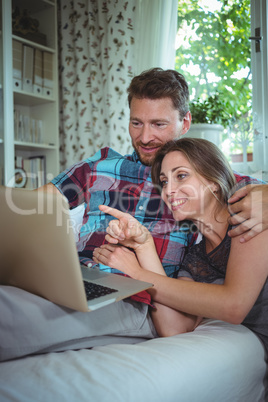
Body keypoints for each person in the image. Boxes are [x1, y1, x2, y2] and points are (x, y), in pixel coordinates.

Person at [0, 68, 268, 361]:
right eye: (136, 123)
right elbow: (25, 208)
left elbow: (227, 183)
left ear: (185, 122)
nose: (145, 137)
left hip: (135, 298)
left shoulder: (201, 179)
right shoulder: (98, 166)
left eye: (159, 124)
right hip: (74, 278)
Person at [92, 138, 268, 355]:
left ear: (213, 178)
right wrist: (144, 246)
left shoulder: (251, 208)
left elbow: (234, 306)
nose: (169, 191)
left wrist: (136, 273)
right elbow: (174, 328)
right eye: (164, 182)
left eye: (181, 176)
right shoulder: (196, 258)